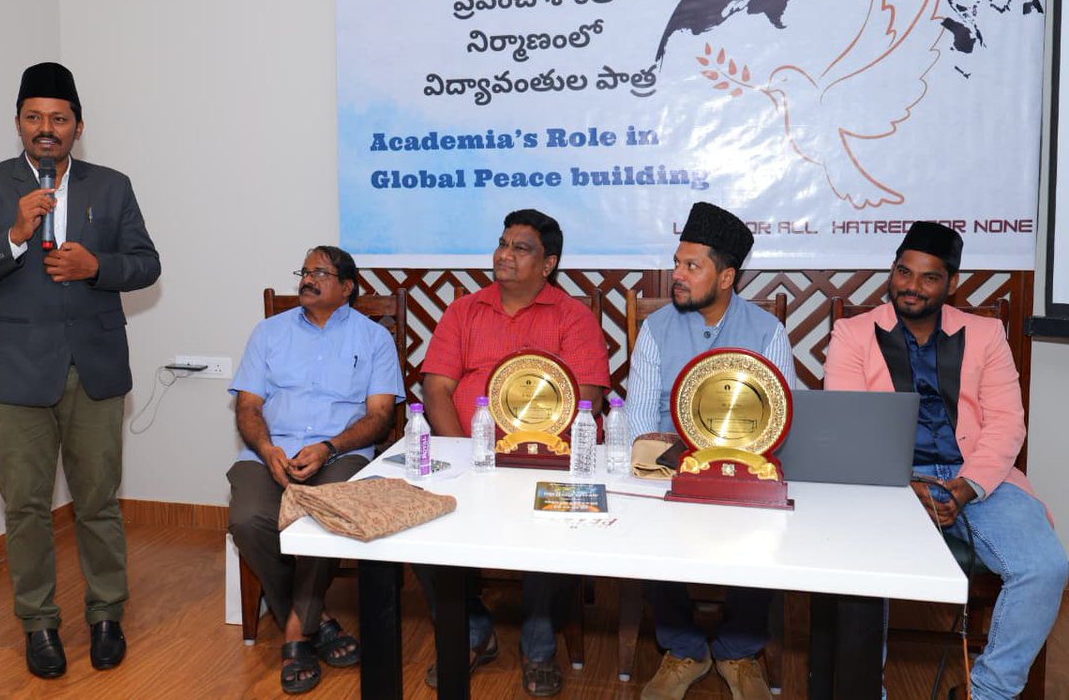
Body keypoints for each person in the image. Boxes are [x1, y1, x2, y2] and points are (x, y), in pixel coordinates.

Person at [0, 62, 160, 678]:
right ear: (17, 123)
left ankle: (106, 614)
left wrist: (97, 267)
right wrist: (12, 236)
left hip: (95, 368)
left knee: (98, 501)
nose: (46, 128)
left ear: (77, 127)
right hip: (14, 373)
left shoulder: (112, 187)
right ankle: (38, 623)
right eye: (34, 117)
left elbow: (146, 263)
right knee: (26, 506)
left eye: (58, 118)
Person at [825, 221, 1068, 700]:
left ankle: (988, 692)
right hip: (890, 483)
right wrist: (905, 483)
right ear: (892, 271)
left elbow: (1007, 423)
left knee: (1046, 567)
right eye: (904, 272)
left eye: (929, 277)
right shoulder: (852, 334)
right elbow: (853, 424)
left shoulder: (985, 334)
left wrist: (966, 486)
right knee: (858, 565)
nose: (912, 286)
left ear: (951, 283)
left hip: (978, 479)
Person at [419, 208, 611, 697]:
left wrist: (528, 454)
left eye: (520, 248)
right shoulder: (464, 311)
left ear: (548, 264)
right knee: (418, 519)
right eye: (503, 243)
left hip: (545, 459)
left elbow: (587, 398)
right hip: (469, 453)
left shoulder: (573, 317)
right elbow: (437, 389)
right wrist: (465, 454)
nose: (504, 254)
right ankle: (473, 632)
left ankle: (539, 646)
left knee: (556, 519)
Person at [627, 201, 795, 700]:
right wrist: (675, 469)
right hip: (669, 473)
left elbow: (779, 426)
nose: (677, 275)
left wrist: (729, 471)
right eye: (677, 263)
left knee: (764, 520)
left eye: (691, 266)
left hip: (744, 473)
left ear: (726, 277)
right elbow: (640, 424)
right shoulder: (656, 329)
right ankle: (683, 649)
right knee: (648, 513)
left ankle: (738, 653)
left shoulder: (767, 332)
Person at [226, 246, 404, 695]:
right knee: (247, 519)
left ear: (346, 287)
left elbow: (380, 416)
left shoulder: (374, 338)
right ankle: (315, 617)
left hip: (340, 454)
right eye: (304, 272)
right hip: (270, 453)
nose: (307, 279)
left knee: (326, 511)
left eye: (320, 272)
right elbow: (247, 407)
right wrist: (267, 449)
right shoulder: (268, 332)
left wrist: (328, 448)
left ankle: (295, 632)